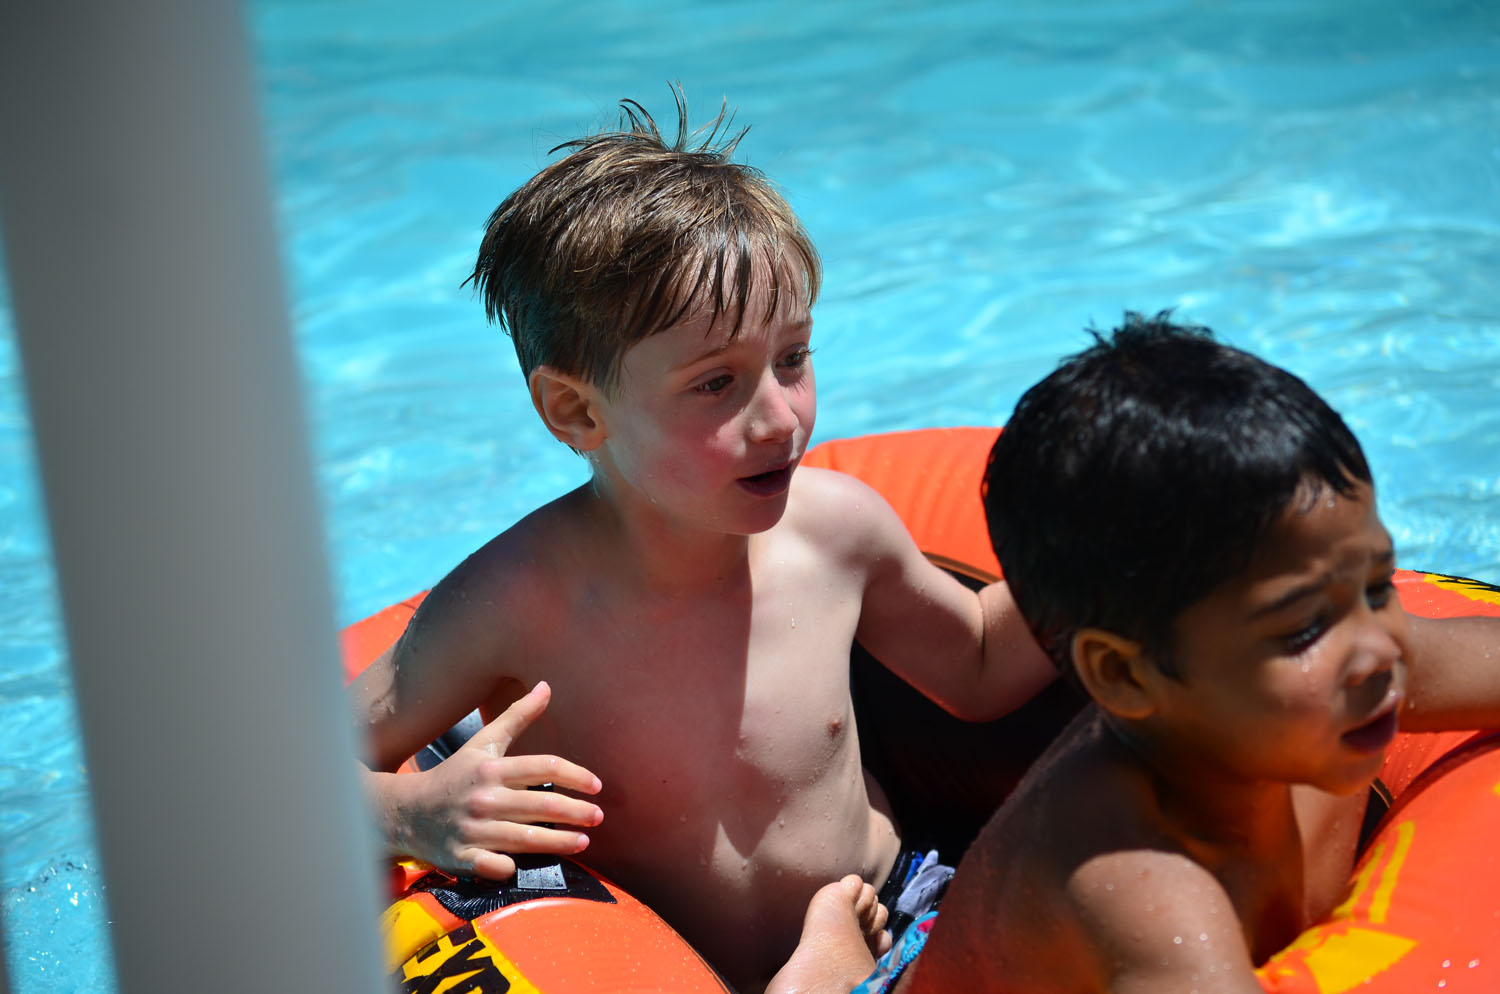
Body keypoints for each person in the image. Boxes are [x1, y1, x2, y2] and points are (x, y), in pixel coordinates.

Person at [345, 90, 1055, 994]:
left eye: (792, 358)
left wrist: (1116, 547)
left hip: (891, 915)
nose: (780, 419)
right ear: (576, 410)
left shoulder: (836, 534)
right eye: (716, 383)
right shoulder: (518, 604)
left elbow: (980, 666)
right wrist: (411, 813)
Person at [768, 312, 1500, 994]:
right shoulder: (1134, 880)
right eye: (1299, 630)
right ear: (1122, 674)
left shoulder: (1351, 666)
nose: (1375, 649)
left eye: (1375, 585)